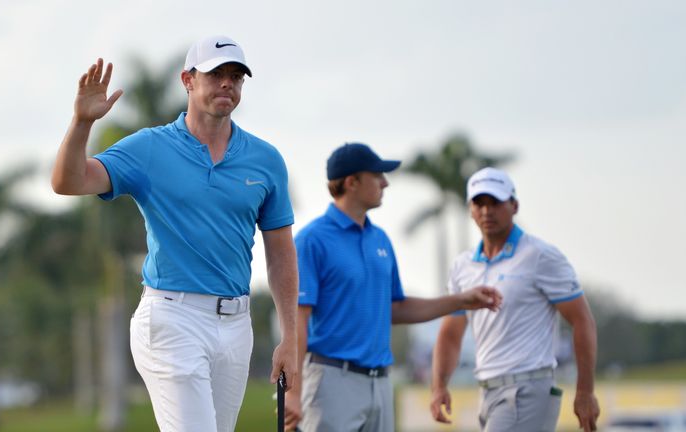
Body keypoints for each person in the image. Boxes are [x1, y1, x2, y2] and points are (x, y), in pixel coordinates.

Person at [51, 35, 298, 432]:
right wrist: (82, 122)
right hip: (172, 318)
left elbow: (282, 255)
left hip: (236, 325)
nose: (227, 84)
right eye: (216, 74)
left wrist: (290, 336)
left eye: (236, 76)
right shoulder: (150, 147)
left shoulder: (265, 160)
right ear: (187, 80)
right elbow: (68, 181)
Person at [284, 143, 503, 432]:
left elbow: (395, 308)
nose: (385, 182)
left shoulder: (380, 240)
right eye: (377, 176)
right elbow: (298, 320)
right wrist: (293, 392)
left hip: (381, 384)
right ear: (352, 182)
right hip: (331, 381)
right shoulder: (312, 240)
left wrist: (461, 300)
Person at [430, 167, 600, 432]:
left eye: (495, 202)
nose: (487, 211)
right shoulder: (462, 266)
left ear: (514, 205)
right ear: (470, 209)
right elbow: (451, 333)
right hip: (487, 392)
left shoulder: (540, 256)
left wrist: (585, 391)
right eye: (479, 203)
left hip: (527, 390)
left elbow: (582, 321)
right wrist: (439, 386)